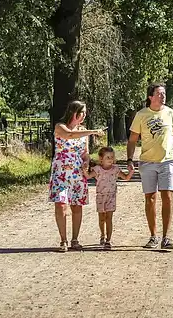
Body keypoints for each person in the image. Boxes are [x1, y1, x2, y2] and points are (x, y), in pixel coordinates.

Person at [127, 83, 173, 250]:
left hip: (167, 161)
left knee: (167, 197)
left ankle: (166, 237)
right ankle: (153, 236)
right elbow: (132, 140)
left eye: (164, 93)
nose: (163, 96)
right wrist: (129, 159)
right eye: (159, 93)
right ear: (150, 97)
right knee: (150, 198)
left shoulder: (170, 113)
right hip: (147, 162)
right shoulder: (141, 115)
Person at [49, 100, 105, 252]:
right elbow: (70, 135)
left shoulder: (83, 131)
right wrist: (93, 131)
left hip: (77, 173)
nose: (84, 115)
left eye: (85, 113)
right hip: (61, 173)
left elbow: (85, 153)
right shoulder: (60, 127)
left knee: (77, 205)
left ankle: (75, 239)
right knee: (61, 204)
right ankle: (63, 239)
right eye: (82, 112)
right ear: (74, 112)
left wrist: (86, 161)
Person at [85, 146, 134, 250]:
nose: (110, 159)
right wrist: (84, 170)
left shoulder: (115, 169)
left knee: (109, 218)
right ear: (101, 159)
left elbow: (126, 178)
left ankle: (108, 240)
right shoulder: (97, 169)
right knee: (101, 218)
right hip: (100, 196)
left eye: (112, 157)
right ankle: (102, 235)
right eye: (108, 157)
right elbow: (88, 176)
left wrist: (131, 172)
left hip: (111, 196)